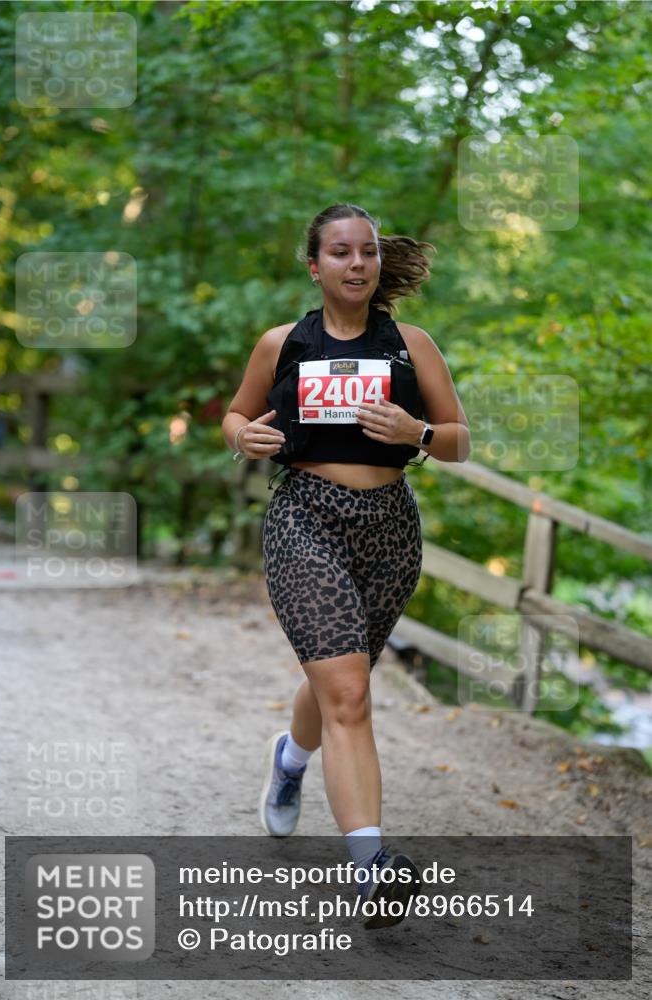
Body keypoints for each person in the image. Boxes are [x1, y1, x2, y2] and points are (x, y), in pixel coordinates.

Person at [221, 203, 470, 929]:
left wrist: (419, 430)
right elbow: (236, 418)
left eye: (365, 252)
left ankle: (290, 762)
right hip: (305, 518)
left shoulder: (411, 345)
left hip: (390, 531)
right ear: (315, 265)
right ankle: (372, 872)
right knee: (350, 693)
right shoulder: (281, 344)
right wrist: (247, 440)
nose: (355, 263)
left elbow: (457, 441)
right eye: (339, 252)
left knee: (340, 678)